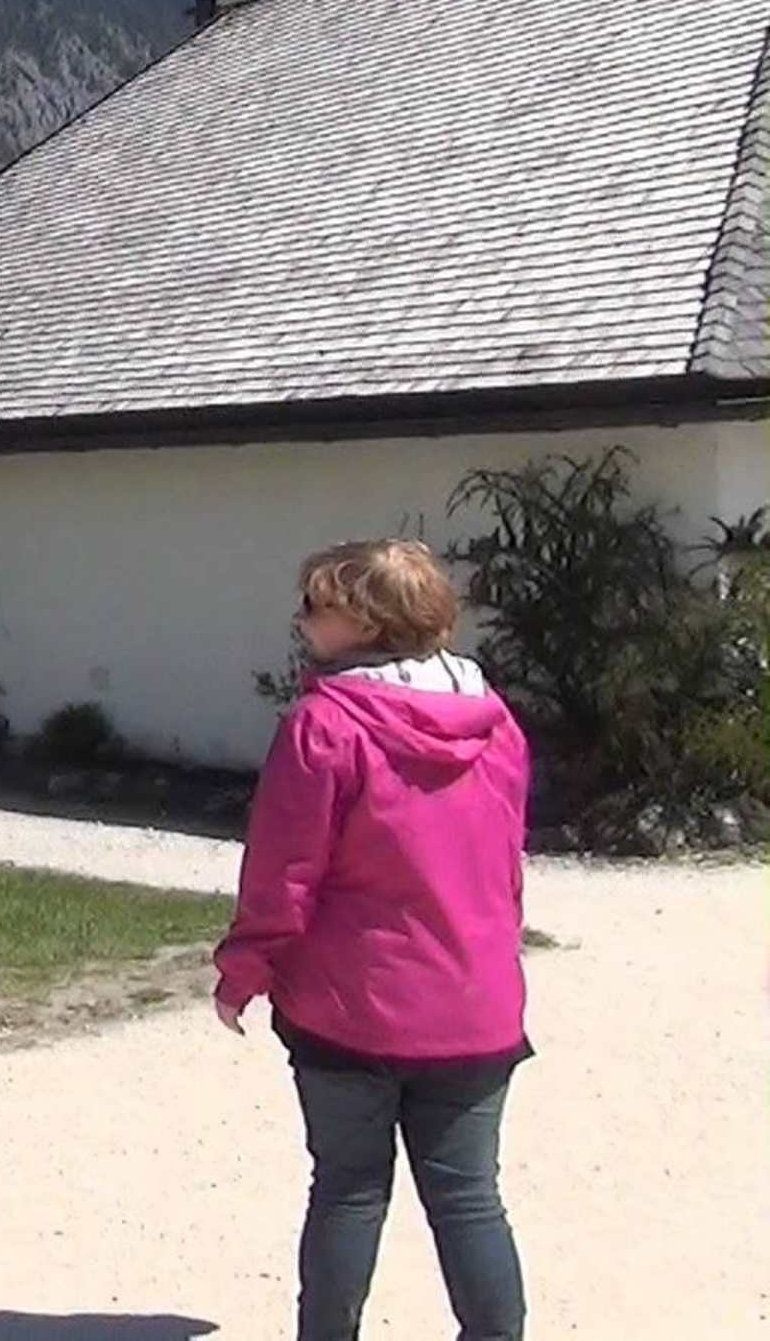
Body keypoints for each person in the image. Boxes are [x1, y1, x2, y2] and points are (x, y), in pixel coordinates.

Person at [215, 539, 531, 1341]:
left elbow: (284, 872)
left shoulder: (324, 727)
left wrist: (243, 969)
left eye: (316, 606)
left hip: (348, 1008)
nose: (302, 620)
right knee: (469, 1197)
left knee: (349, 1190)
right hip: (475, 1007)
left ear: (365, 621)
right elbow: (503, 865)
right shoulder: (496, 723)